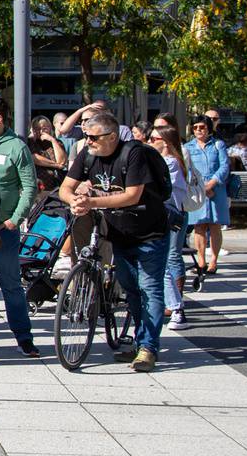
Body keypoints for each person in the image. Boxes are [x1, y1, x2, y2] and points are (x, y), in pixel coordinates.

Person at [61, 108, 174, 371]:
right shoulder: (87, 155)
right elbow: (66, 187)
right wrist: (76, 203)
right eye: (86, 136)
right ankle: (138, 342)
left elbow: (132, 195)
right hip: (119, 233)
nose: (88, 141)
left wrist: (93, 202)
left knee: (150, 288)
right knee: (130, 288)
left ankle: (148, 348)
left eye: (93, 137)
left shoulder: (133, 154)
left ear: (112, 136)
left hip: (150, 233)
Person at [0, 94, 42, 360]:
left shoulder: (16, 147)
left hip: (4, 228)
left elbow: (29, 187)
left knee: (10, 284)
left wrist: (15, 218)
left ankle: (23, 337)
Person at [151, 123, 192, 330]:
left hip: (168, 216)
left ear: (165, 143)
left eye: (153, 139)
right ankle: (173, 306)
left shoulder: (171, 163)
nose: (149, 142)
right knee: (163, 262)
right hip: (159, 215)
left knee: (168, 260)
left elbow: (159, 188)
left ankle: (176, 309)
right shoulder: (161, 160)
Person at [183, 116, 231, 277]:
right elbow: (187, 169)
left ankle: (213, 261)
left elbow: (224, 166)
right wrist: (201, 187)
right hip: (197, 189)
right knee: (199, 225)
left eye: (202, 127)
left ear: (209, 128)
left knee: (215, 225)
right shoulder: (187, 147)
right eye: (195, 127)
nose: (198, 130)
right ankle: (201, 260)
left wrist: (213, 183)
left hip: (216, 189)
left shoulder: (218, 145)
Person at [29, 115, 69, 191]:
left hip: (57, 184)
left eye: (44, 129)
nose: (41, 132)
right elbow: (35, 158)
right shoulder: (31, 142)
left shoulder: (57, 142)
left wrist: (53, 140)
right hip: (40, 186)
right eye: (37, 129)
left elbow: (62, 161)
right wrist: (56, 165)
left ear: (50, 128)